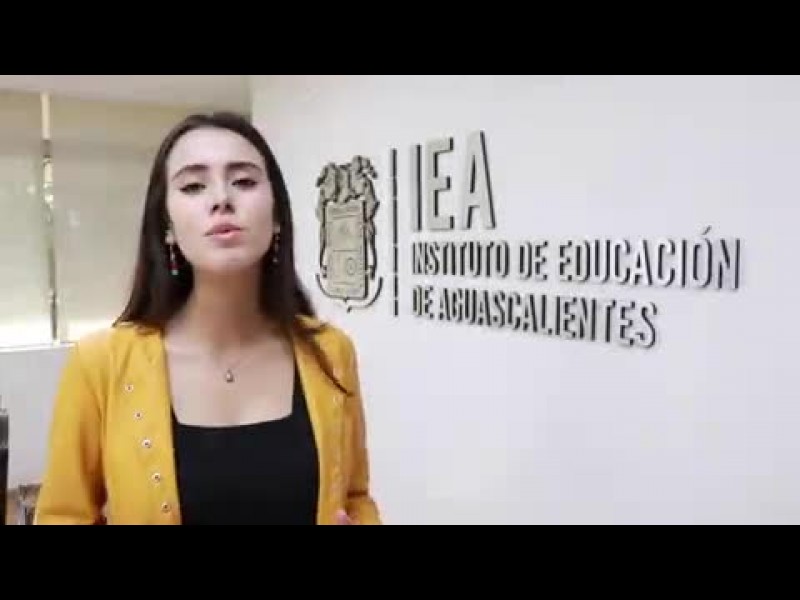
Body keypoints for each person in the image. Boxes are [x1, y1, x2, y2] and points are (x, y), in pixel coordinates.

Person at [33, 111, 381, 525]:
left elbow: (355, 496)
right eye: (193, 186)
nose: (221, 199)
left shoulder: (331, 351)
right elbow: (61, 515)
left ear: (276, 217)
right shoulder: (100, 364)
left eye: (244, 181)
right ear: (166, 226)